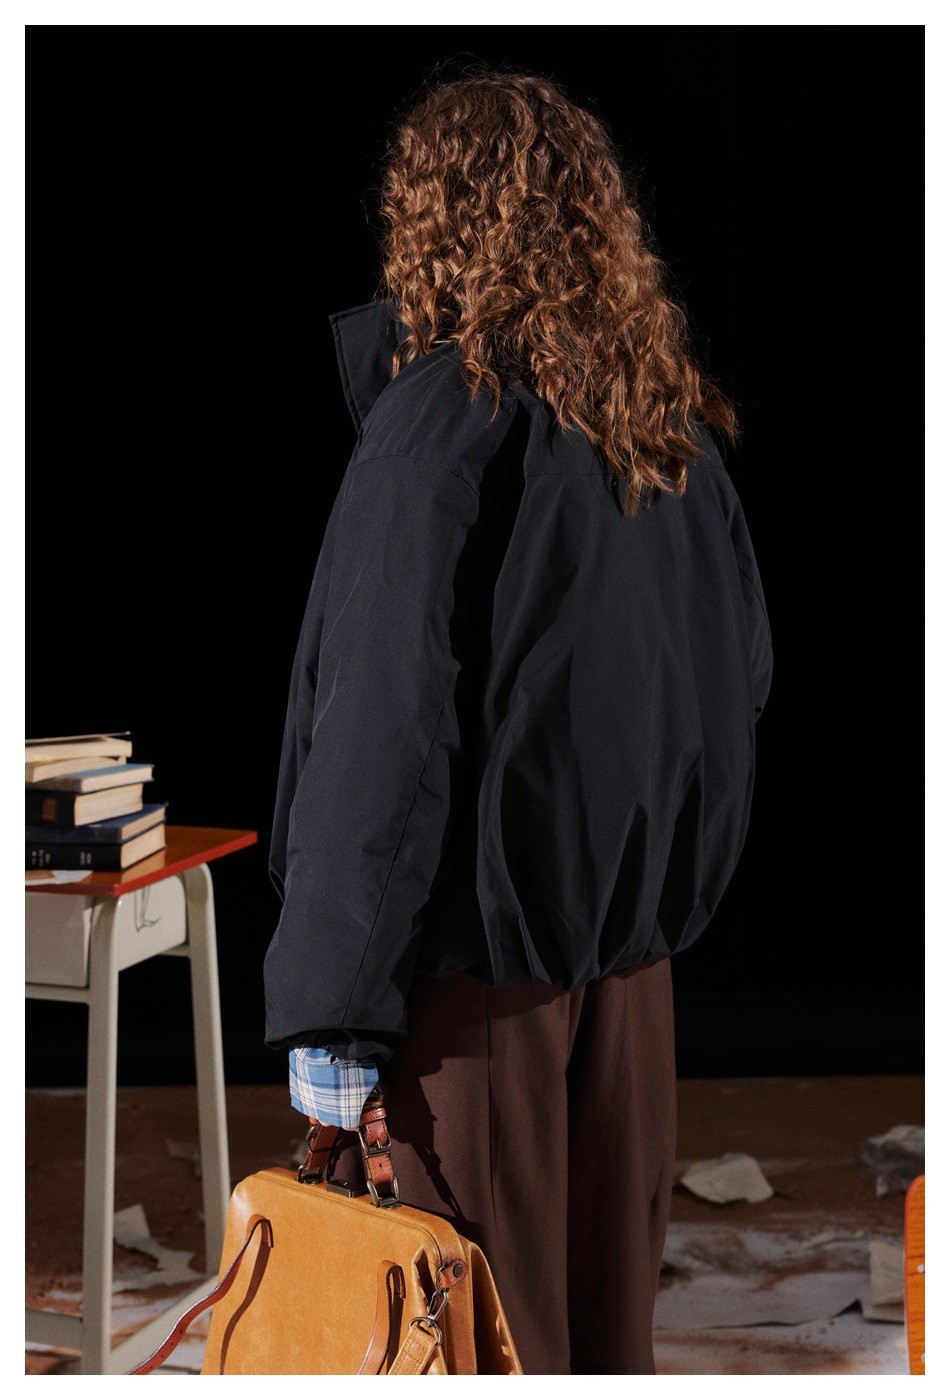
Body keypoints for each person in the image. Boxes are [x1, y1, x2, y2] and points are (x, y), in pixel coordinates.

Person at [264, 71, 772, 1375]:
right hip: (627, 984)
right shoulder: (658, 424)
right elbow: (735, 686)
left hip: (474, 991)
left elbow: (377, 734)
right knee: (603, 1343)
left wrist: (335, 1012)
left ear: (433, 219)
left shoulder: (441, 424)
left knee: (482, 1350)